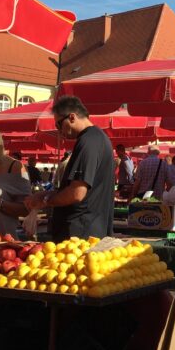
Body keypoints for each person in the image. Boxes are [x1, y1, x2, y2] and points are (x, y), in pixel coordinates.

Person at [25, 96, 115, 241]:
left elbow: (77, 193)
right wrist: (44, 195)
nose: (59, 131)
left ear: (72, 117)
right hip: (88, 229)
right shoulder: (97, 138)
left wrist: (46, 200)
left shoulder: (88, 142)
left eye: (59, 125)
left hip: (80, 234)